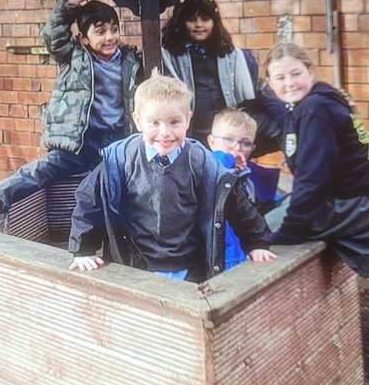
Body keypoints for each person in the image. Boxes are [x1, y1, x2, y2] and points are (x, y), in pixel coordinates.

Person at [67, 75, 276, 282]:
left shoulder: (201, 160)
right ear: (138, 121)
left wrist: (256, 242)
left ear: (188, 119)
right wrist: (84, 247)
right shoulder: (120, 158)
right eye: (154, 122)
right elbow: (90, 199)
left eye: (174, 122)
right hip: (136, 263)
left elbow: (233, 200)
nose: (165, 132)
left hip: (188, 265)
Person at [0, 0, 142, 231]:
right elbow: (53, 34)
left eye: (114, 29)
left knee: (118, 188)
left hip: (116, 143)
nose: (109, 37)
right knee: (41, 169)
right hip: (81, 143)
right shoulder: (74, 56)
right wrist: (70, 4)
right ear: (83, 38)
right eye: (100, 32)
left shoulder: (130, 60)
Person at [261, 42, 369, 277]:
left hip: (357, 205)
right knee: (266, 216)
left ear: (310, 71)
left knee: (256, 234)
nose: (289, 83)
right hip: (367, 200)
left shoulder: (315, 109)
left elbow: (312, 179)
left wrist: (290, 231)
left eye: (296, 73)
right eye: (280, 78)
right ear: (270, 84)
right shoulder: (314, 103)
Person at [160, 0, 276, 152]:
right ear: (181, 22)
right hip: (191, 130)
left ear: (214, 21)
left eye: (205, 19)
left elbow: (255, 94)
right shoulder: (170, 57)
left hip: (226, 132)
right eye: (191, 20)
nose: (199, 25)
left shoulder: (230, 55)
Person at [206, 108, 283, 269]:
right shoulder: (207, 166)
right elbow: (218, 165)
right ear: (212, 142)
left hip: (241, 253)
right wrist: (229, 161)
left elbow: (259, 207)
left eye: (245, 143)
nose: (237, 148)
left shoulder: (249, 176)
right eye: (228, 140)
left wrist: (258, 243)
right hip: (216, 256)